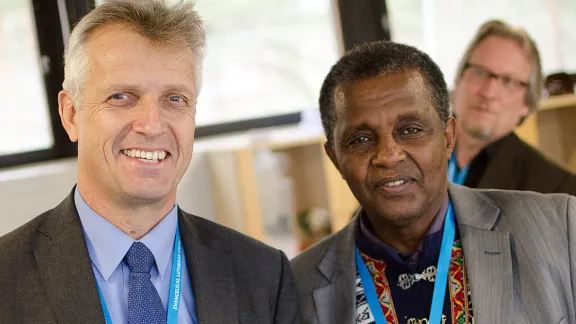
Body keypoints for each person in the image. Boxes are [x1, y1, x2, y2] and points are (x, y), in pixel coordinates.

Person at [0, 1, 300, 323]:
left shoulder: (264, 276)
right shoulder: (7, 280)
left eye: (175, 99)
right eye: (121, 97)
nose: (152, 125)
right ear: (71, 115)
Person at [291, 41, 576, 324]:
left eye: (410, 130)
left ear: (448, 138)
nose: (389, 156)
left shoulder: (558, 229)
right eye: (361, 139)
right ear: (335, 158)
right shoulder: (295, 287)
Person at [450, 19, 576, 192]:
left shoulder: (558, 190)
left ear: (527, 102)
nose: (488, 93)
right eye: (480, 72)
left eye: (509, 82)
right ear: (459, 79)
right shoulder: (409, 154)